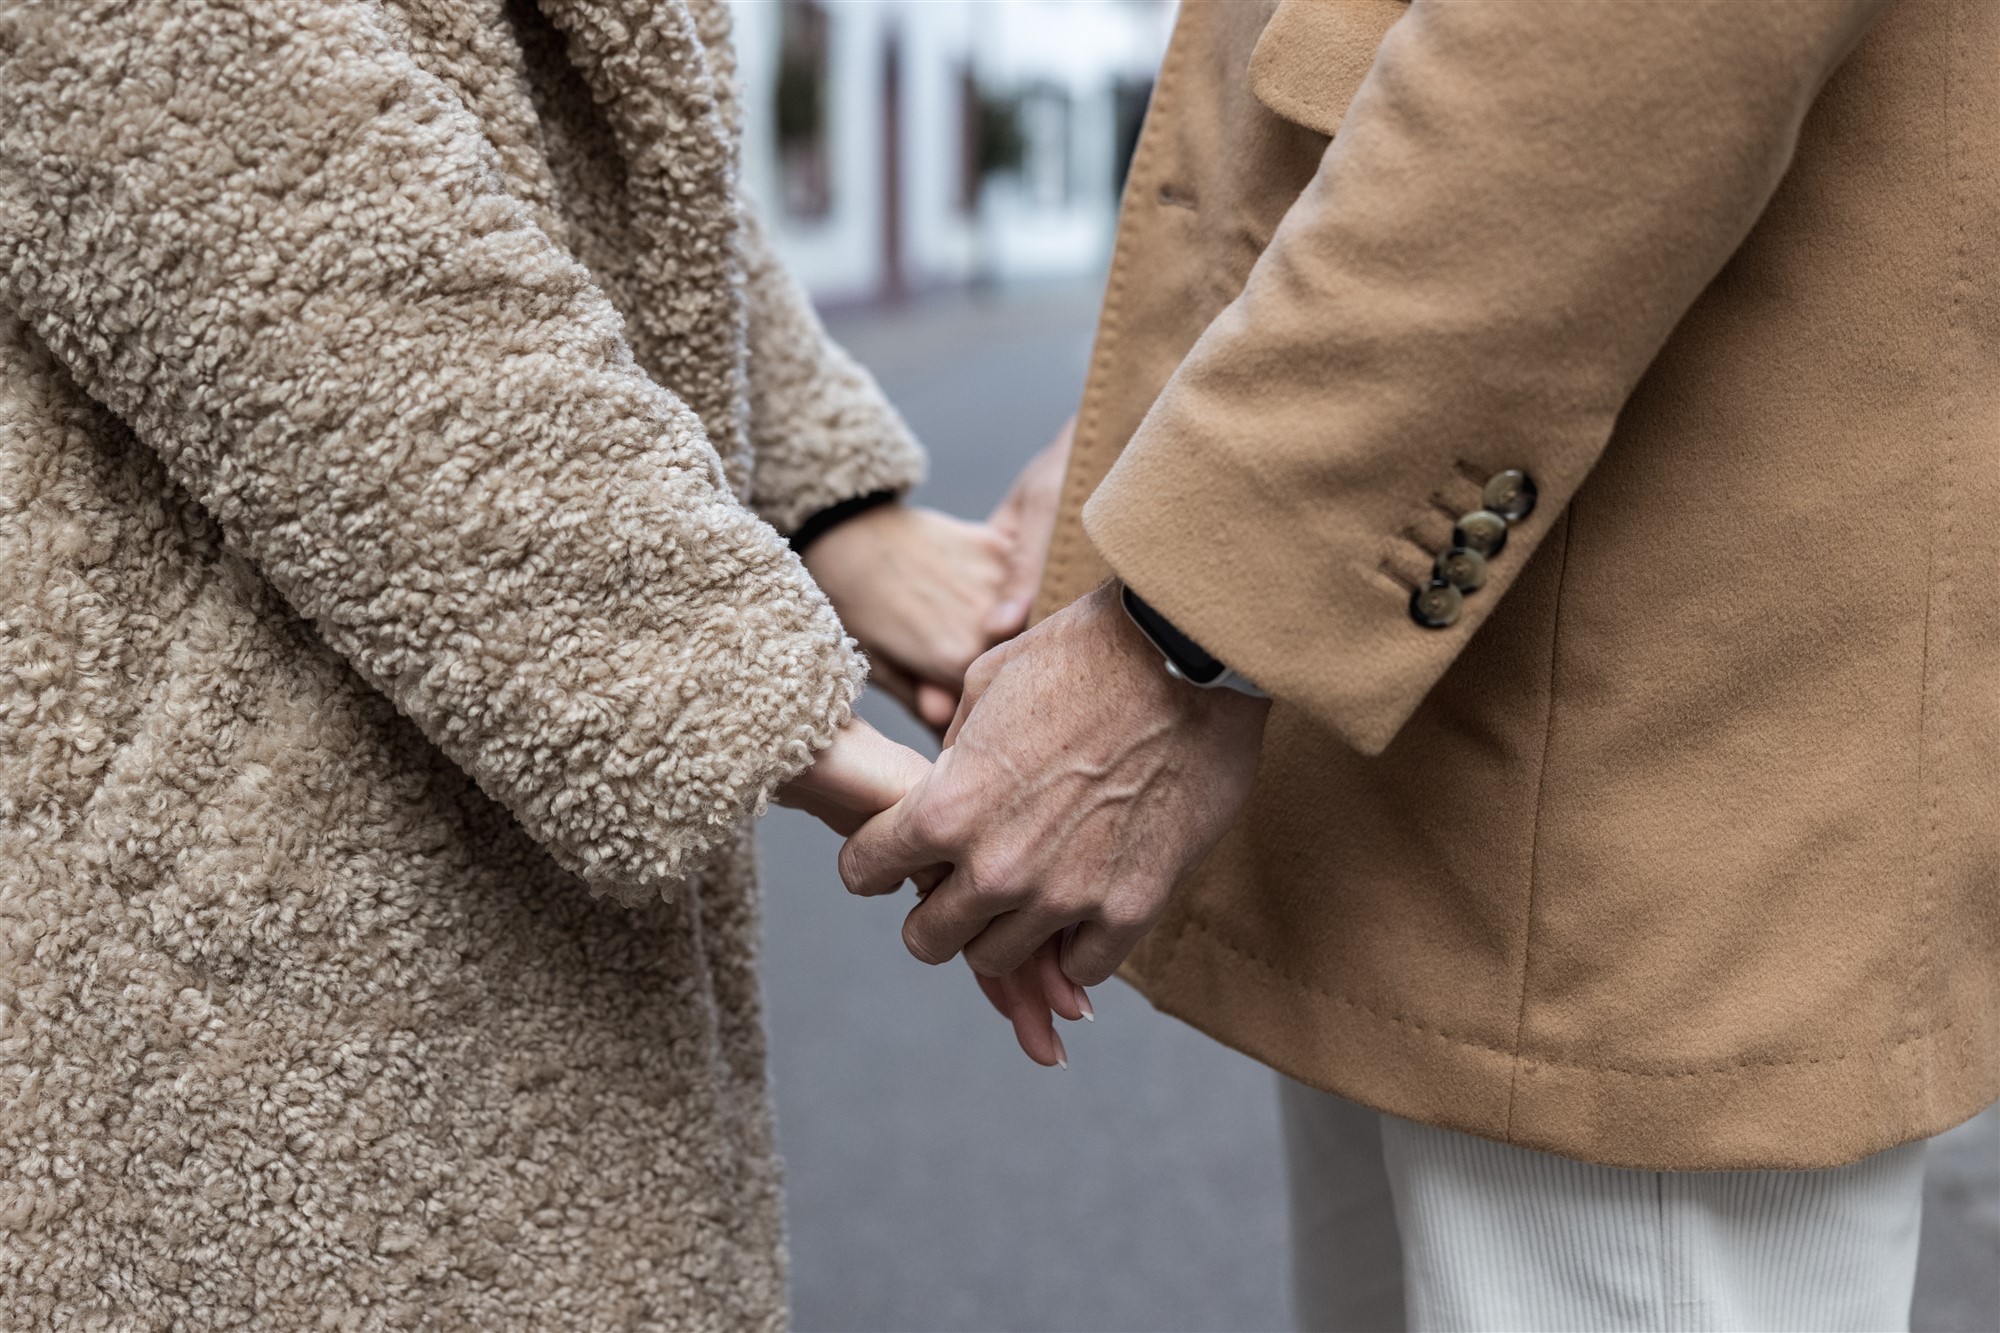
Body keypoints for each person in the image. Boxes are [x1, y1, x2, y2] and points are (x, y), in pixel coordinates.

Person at [841, 1, 2000, 1329]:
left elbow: (1615, 46)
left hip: (1626, 768)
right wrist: (1164, 477)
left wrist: (1181, 633)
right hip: (1432, 687)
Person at [0, 0, 1023, 1326]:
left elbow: (618, 104)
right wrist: (726, 679)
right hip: (200, 732)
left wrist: (828, 496)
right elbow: (237, 152)